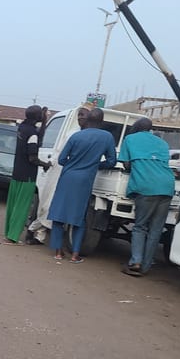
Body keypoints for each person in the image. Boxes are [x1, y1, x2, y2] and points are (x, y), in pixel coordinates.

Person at [48, 107, 116, 263]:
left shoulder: (76, 136)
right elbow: (112, 161)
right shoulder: (107, 137)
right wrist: (96, 165)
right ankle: (75, 255)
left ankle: (58, 253)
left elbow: (61, 160)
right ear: (102, 121)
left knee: (59, 215)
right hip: (85, 180)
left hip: (67, 178)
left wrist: (73, 163)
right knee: (79, 218)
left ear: (88, 120)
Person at [26, 106, 90, 245]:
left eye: (83, 115)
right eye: (79, 115)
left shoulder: (84, 135)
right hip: (59, 170)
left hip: (71, 175)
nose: (80, 117)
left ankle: (35, 231)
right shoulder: (72, 133)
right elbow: (61, 156)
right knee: (48, 204)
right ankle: (36, 233)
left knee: (54, 206)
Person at [119, 117, 174, 276]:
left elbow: (126, 164)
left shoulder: (130, 138)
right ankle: (146, 266)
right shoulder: (162, 142)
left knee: (140, 226)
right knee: (156, 230)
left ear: (136, 126)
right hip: (167, 186)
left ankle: (135, 262)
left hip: (146, 185)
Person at [3, 104, 49, 245]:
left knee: (13, 204)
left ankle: (8, 232)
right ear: (37, 117)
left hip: (17, 172)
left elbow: (37, 135)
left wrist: (44, 120)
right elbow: (33, 158)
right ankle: (13, 236)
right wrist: (46, 164)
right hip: (27, 176)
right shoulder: (33, 134)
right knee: (22, 207)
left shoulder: (22, 128)